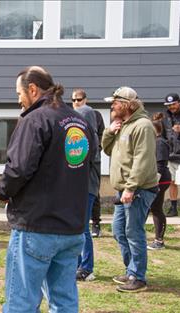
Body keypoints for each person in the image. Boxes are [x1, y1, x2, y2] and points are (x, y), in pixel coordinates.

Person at [0, 66, 95, 312]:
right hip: (72, 227)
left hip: (37, 226)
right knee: (64, 301)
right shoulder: (79, 121)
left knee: (21, 302)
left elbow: (18, 169)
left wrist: (0, 191)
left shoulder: (34, 119)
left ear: (33, 89)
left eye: (19, 93)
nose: (18, 99)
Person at [102, 86, 158, 293]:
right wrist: (109, 131)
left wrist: (131, 188)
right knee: (119, 231)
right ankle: (131, 270)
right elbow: (108, 150)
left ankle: (138, 277)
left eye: (115, 102)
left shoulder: (142, 126)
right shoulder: (124, 125)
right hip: (124, 190)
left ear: (127, 104)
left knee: (133, 232)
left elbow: (142, 161)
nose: (112, 105)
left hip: (138, 190)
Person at [71, 88, 100, 282]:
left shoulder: (91, 140)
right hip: (76, 188)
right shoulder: (79, 138)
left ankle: (87, 268)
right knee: (76, 226)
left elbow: (81, 163)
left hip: (87, 188)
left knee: (82, 228)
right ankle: (78, 264)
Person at [162, 93, 180, 219]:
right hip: (170, 155)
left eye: (173, 104)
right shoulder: (166, 116)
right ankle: (173, 209)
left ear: (179, 102)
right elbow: (163, 135)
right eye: (169, 105)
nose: (171, 107)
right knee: (171, 182)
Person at [148, 113, 172, 250]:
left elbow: (160, 166)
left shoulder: (160, 143)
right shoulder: (153, 142)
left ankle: (159, 241)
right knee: (152, 208)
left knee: (156, 209)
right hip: (155, 180)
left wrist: (154, 183)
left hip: (160, 181)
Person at [91, 110, 105, 237]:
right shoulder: (72, 115)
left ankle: (96, 223)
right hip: (76, 160)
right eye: (74, 100)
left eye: (79, 99)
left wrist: (98, 148)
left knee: (94, 192)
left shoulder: (96, 115)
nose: (76, 102)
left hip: (93, 162)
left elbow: (103, 136)